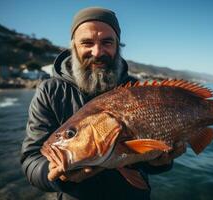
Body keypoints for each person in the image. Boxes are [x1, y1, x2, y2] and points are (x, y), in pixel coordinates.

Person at [21, 7, 186, 200]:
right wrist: (55, 176)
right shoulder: (49, 91)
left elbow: (146, 158)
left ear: (118, 46)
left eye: (107, 42)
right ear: (73, 46)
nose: (97, 52)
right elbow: (31, 159)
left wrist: (161, 162)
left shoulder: (136, 89)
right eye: (87, 43)